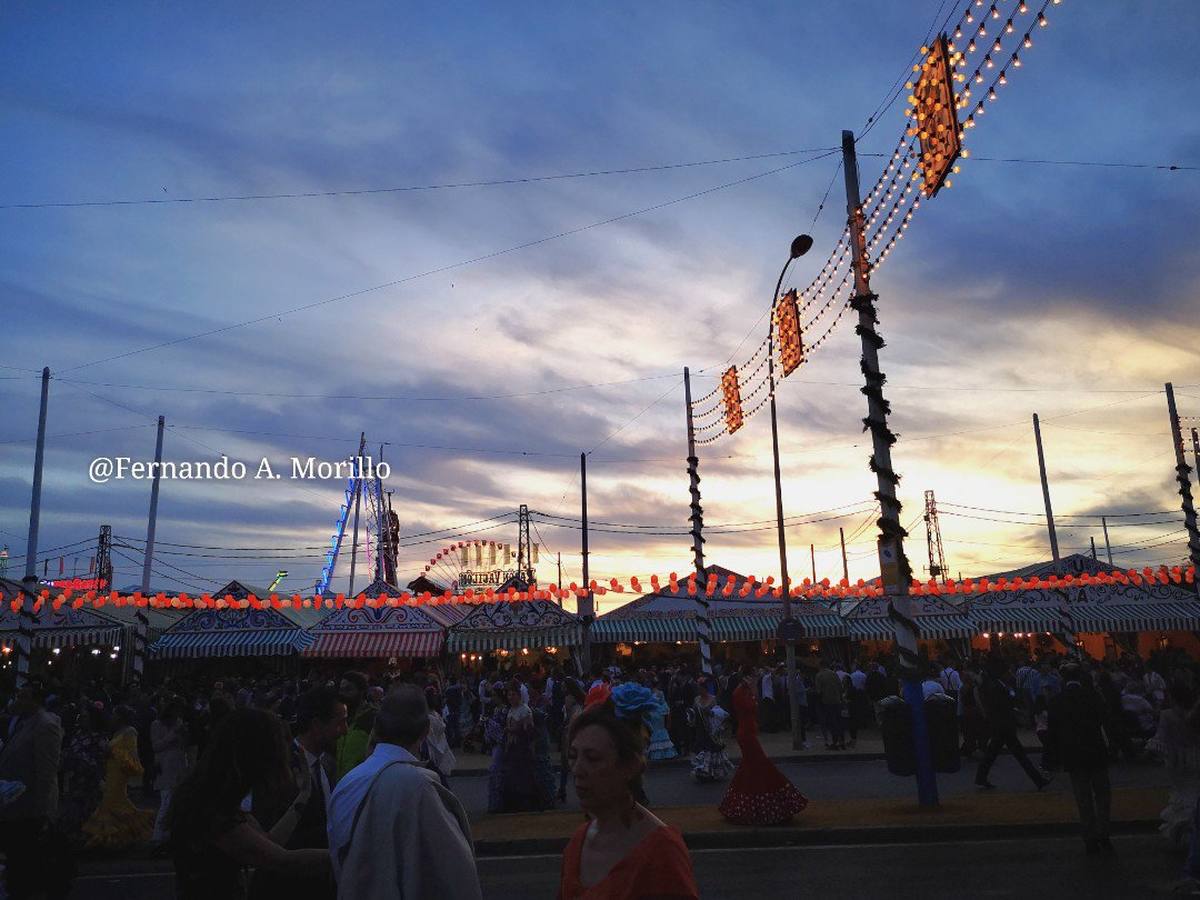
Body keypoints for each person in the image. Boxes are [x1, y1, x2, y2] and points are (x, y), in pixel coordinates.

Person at [328, 685, 481, 900]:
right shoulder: (419, 787)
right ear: (426, 730)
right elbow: (455, 876)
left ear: (377, 728)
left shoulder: (347, 784)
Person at [169, 707, 329, 899]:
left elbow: (267, 842)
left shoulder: (210, 796)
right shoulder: (214, 812)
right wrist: (349, 852)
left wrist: (303, 794)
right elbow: (283, 860)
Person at [558, 704, 699, 899]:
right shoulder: (577, 844)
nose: (578, 770)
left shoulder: (662, 852)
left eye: (593, 758)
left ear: (629, 766)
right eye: (573, 756)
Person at [249, 686, 347, 900]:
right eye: (339, 723)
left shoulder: (326, 763)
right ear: (316, 725)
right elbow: (268, 838)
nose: (345, 730)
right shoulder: (279, 767)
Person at [0, 682, 69, 899]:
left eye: (23, 697)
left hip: (29, 808)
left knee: (25, 861)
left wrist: (41, 810)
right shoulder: (19, 722)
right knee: (15, 857)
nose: (17, 700)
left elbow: (46, 771)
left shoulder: (45, 725)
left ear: (35, 701)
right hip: (13, 803)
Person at [718, 668, 807, 826]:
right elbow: (749, 708)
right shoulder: (740, 693)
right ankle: (763, 806)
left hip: (749, 731)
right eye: (751, 677)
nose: (754, 680)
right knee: (759, 766)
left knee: (750, 769)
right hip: (746, 734)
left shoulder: (744, 691)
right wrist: (753, 692)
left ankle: (741, 805)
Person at [1047, 663, 1113, 856]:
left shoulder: (1057, 701)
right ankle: (1104, 834)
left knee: (1083, 798)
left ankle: (1090, 837)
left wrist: (1053, 758)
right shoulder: (1092, 697)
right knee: (1103, 795)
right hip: (1096, 751)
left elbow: (1053, 733)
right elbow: (1107, 721)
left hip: (1073, 755)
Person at [83, 705, 155, 849]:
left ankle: (111, 838)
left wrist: (112, 752)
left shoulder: (130, 731)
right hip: (111, 770)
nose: (112, 717)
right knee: (114, 802)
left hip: (119, 772)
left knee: (112, 802)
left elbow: (131, 755)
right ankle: (118, 837)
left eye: (115, 714)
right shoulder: (117, 732)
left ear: (121, 716)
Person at [975, 659, 1051, 791]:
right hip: (1004, 724)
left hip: (1001, 724)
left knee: (993, 754)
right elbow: (1003, 703)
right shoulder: (997, 686)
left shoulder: (995, 684)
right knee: (1018, 755)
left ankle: (981, 777)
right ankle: (1038, 780)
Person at [151, 697, 190, 846]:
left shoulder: (179, 723)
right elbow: (156, 746)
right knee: (166, 802)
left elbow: (184, 745)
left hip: (178, 765)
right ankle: (157, 836)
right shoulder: (156, 725)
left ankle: (169, 835)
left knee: (176, 803)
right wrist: (174, 734)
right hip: (165, 766)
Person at [689, 680, 733, 783]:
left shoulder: (713, 699)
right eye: (698, 689)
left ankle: (713, 772)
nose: (698, 691)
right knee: (702, 748)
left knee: (712, 749)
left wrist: (711, 713)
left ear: (705, 689)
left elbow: (718, 714)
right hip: (700, 729)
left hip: (711, 730)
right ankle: (703, 771)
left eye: (700, 688)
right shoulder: (696, 699)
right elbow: (693, 713)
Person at [334, 672, 375, 780]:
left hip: (362, 783)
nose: (343, 694)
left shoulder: (372, 718)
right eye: (341, 689)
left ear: (361, 692)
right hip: (340, 784)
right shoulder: (340, 717)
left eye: (348, 690)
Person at [560, 679, 586, 802]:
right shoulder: (578, 701)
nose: (562, 688)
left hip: (571, 732)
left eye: (564, 686)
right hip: (575, 731)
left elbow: (569, 716)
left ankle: (563, 790)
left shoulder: (569, 699)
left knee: (568, 764)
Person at [814, 659, 845, 750]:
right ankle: (841, 741)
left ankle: (834, 742)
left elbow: (819, 691)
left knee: (831, 722)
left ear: (820, 666)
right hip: (837, 701)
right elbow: (840, 687)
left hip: (826, 702)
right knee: (838, 721)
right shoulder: (834, 674)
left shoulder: (819, 675)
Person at [644, 680, 678, 761]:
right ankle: (663, 750)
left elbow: (662, 703)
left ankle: (660, 751)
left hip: (656, 713)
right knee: (656, 729)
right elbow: (663, 704)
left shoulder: (655, 693)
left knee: (657, 729)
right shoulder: (653, 693)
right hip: (655, 713)